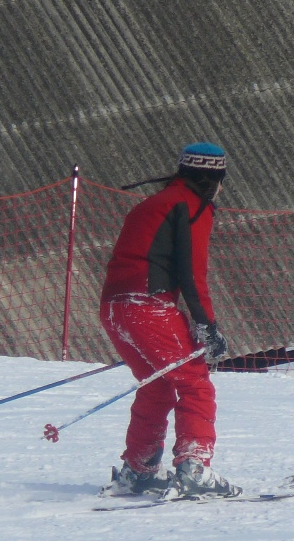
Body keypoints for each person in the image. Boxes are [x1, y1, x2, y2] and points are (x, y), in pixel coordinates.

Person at [98, 142, 240, 500]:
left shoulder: (153, 203)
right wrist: (207, 325)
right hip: (149, 306)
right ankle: (194, 468)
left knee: (156, 384)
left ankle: (139, 471)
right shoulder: (192, 207)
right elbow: (193, 274)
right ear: (212, 179)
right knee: (195, 383)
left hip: (115, 307)